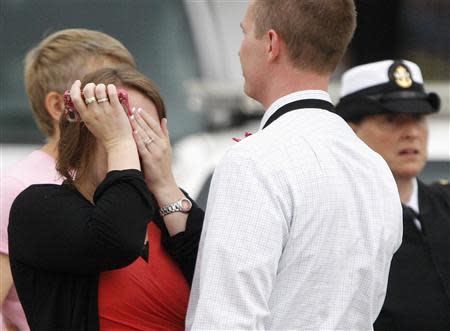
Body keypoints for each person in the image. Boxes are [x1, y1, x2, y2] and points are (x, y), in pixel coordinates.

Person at [186, 0, 402, 329]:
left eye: (245, 34)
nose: (240, 50)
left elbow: (227, 319)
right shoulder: (375, 168)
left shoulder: (255, 161)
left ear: (271, 44)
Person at [8, 67, 204, 331]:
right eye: (124, 124)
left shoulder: (165, 214)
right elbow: (117, 239)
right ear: (88, 131)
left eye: (148, 127)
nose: (138, 139)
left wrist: (165, 184)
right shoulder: (36, 208)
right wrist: (119, 143)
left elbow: (220, 279)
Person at [0, 28, 137, 331]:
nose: (123, 103)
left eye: (125, 89)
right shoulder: (16, 188)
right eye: (104, 92)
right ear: (60, 106)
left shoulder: (121, 170)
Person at [334, 59, 450, 330]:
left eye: (418, 118)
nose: (411, 133)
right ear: (352, 132)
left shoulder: (444, 205)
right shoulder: (340, 224)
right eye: (392, 120)